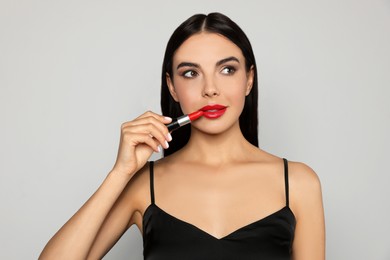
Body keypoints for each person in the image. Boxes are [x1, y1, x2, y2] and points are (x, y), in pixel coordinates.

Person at [39, 12, 325, 259]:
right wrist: (120, 173)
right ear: (172, 87)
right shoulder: (142, 184)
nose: (210, 89)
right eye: (191, 73)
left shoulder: (298, 183)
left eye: (227, 70)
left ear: (249, 79)